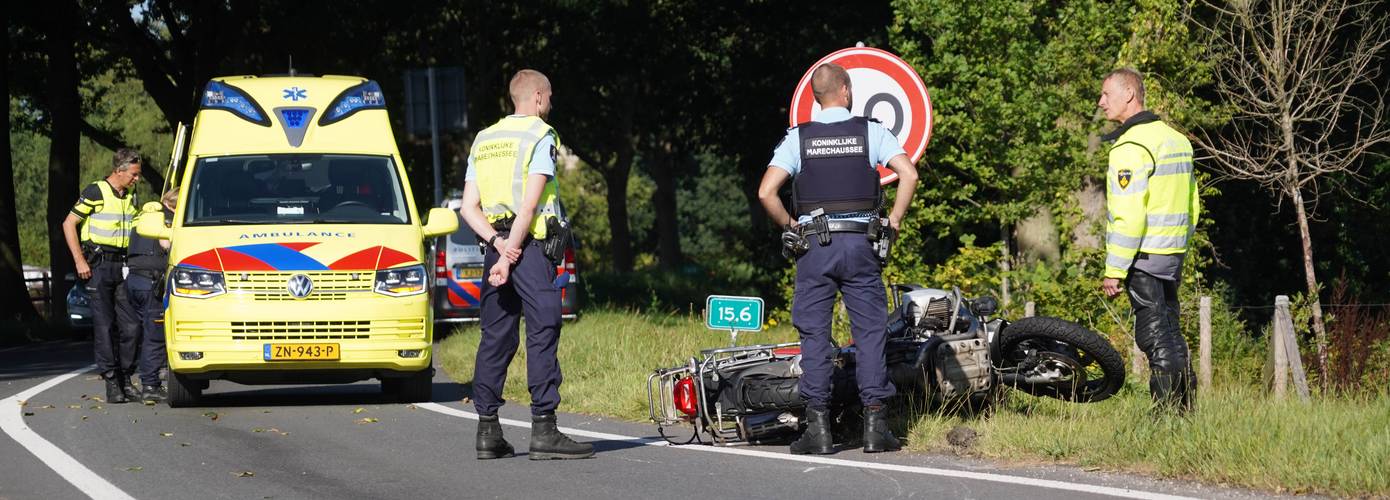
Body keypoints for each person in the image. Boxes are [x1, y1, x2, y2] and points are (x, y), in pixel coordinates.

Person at [757, 63, 919, 454]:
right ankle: (876, 428)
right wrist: (893, 220)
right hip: (862, 245)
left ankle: (819, 431)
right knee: (870, 333)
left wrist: (791, 225)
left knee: (815, 335)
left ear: (816, 97)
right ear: (845, 91)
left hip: (815, 246)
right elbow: (908, 175)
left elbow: (766, 192)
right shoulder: (871, 131)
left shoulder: (800, 139)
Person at [458, 69, 593, 460]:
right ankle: (545, 430)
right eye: (548, 97)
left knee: (496, 335)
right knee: (543, 327)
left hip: (495, 246)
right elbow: (530, 204)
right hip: (529, 249)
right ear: (536, 97)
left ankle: (488, 432)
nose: (549, 104)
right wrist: (511, 250)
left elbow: (469, 207)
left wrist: (497, 246)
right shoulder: (540, 134)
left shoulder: (483, 140)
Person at [1096, 67, 1200, 412]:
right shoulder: (1176, 140)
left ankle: (1168, 415)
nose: (1101, 102)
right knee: (1171, 331)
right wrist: (1179, 244)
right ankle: (1187, 410)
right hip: (1172, 253)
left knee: (1154, 336)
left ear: (1129, 94)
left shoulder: (1130, 147)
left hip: (1144, 256)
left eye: (1106, 94)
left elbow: (1129, 216)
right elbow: (1193, 205)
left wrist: (1115, 268)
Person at [62, 148, 142, 404]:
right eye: (134, 174)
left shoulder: (130, 195)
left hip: (123, 265)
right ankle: (112, 382)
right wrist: (79, 261)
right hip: (98, 266)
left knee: (131, 326)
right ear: (119, 170)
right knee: (105, 326)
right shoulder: (96, 191)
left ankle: (126, 377)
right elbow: (68, 223)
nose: (137, 179)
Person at [126, 188, 178, 403]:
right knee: (154, 336)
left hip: (133, 280)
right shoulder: (166, 220)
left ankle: (130, 379)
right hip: (151, 283)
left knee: (138, 334)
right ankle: (150, 385)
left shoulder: (143, 218)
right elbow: (167, 245)